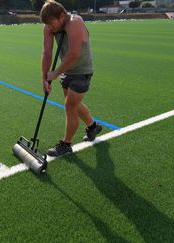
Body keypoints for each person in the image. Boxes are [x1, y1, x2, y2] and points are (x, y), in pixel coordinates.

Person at [40, 0, 102, 157]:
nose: (49, 28)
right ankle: (93, 126)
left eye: (51, 24)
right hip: (67, 71)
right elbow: (46, 53)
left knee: (69, 106)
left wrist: (55, 73)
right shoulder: (48, 26)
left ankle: (66, 144)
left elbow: (74, 53)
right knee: (74, 104)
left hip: (82, 70)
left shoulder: (75, 22)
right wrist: (45, 78)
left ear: (61, 16)